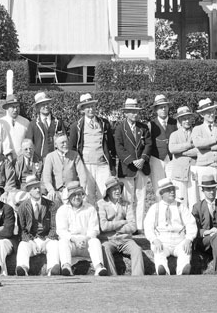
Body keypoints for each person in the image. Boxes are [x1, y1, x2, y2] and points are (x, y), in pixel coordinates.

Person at [143, 179, 197, 276]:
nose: (172, 192)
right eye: (168, 190)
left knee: (185, 252)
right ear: (162, 193)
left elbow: (191, 224)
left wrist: (189, 239)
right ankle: (163, 271)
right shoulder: (155, 208)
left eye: (173, 189)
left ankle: (183, 271)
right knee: (159, 252)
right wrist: (154, 239)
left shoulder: (181, 207)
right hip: (162, 240)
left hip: (179, 240)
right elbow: (148, 226)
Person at [113, 98, 153, 228]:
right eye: (131, 112)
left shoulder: (143, 127)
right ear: (125, 113)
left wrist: (142, 159)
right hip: (127, 168)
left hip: (142, 166)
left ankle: (140, 226)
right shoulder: (119, 128)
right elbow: (119, 148)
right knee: (127, 198)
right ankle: (129, 225)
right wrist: (132, 161)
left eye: (136, 112)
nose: (135, 114)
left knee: (141, 197)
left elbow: (148, 144)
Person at [67, 93, 115, 198]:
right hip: (85, 166)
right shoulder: (76, 126)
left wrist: (112, 163)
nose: (90, 109)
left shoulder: (104, 123)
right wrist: (75, 166)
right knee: (88, 195)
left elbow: (111, 144)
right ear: (82, 110)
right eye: (87, 107)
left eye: (92, 106)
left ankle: (103, 214)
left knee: (104, 194)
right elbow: (72, 148)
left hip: (102, 164)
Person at [54, 181, 107, 276]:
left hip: (85, 243)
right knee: (62, 242)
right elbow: (61, 231)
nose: (77, 197)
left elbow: (94, 230)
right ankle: (66, 267)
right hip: (71, 244)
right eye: (73, 195)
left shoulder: (90, 208)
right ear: (69, 197)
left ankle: (99, 268)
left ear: (82, 195)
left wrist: (85, 239)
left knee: (95, 241)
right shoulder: (62, 210)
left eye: (79, 194)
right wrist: (74, 239)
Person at [96, 179, 144, 277]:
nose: (117, 191)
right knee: (104, 249)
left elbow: (133, 227)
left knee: (137, 249)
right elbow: (104, 226)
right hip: (108, 240)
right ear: (108, 191)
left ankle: (138, 278)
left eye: (118, 188)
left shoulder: (126, 204)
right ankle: (112, 278)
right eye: (114, 189)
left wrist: (116, 229)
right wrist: (122, 222)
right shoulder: (101, 204)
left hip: (125, 239)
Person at [14, 175, 59, 276]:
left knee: (55, 244)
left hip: (47, 239)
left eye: (39, 187)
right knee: (22, 245)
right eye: (35, 188)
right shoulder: (22, 207)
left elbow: (54, 227)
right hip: (31, 240)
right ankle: (22, 268)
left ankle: (52, 268)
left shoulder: (51, 205)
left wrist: (48, 239)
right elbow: (22, 230)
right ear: (29, 191)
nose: (38, 190)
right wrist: (31, 241)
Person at [191, 99, 217, 202]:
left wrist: (208, 146)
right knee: (205, 196)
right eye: (208, 112)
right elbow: (198, 144)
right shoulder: (197, 129)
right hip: (204, 167)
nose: (211, 114)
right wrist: (215, 140)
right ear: (202, 115)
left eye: (213, 111)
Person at [41, 132, 89, 207]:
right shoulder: (50, 157)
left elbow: (82, 174)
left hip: (73, 190)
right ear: (56, 145)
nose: (65, 144)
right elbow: (46, 178)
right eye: (62, 143)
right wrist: (51, 190)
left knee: (83, 203)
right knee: (52, 203)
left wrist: (82, 190)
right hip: (57, 192)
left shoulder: (75, 155)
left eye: (66, 142)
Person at [167, 106, 200, 207]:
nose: (187, 121)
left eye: (189, 118)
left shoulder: (197, 132)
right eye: (184, 119)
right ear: (179, 121)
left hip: (193, 170)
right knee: (180, 200)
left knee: (194, 199)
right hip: (179, 172)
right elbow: (172, 149)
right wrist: (189, 145)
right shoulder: (174, 135)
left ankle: (194, 221)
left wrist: (182, 152)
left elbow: (199, 151)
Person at [148, 94, 177, 201]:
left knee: (172, 186)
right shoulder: (151, 124)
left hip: (171, 159)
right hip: (156, 159)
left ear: (168, 107)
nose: (163, 109)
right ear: (156, 110)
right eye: (160, 107)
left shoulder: (175, 123)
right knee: (158, 187)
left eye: (165, 106)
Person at [29, 92, 65, 160]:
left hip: (57, 160)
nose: (46, 106)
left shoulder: (58, 122)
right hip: (39, 160)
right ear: (37, 107)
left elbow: (64, 141)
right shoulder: (33, 124)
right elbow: (29, 144)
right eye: (43, 104)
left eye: (47, 103)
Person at [0, 94, 30, 159]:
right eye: (12, 107)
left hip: (22, 159)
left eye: (17, 106)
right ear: (7, 108)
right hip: (5, 159)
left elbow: (28, 141)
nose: (15, 110)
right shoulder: (0, 122)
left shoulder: (25, 122)